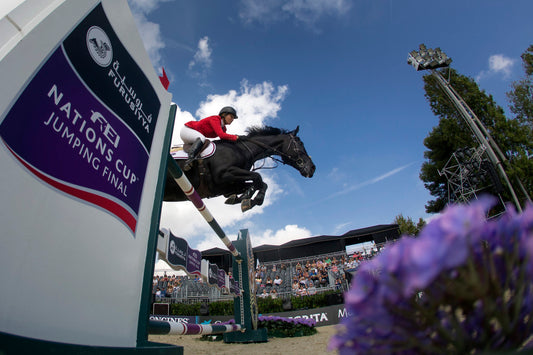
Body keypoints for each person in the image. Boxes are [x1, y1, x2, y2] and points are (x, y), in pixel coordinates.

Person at [180, 106, 240, 170]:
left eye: (233, 118)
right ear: (224, 114)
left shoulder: (223, 128)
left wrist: (238, 142)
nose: (232, 119)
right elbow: (222, 135)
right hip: (187, 130)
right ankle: (189, 160)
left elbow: (224, 139)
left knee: (204, 141)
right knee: (202, 138)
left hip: (194, 137)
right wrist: (236, 137)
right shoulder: (215, 119)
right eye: (231, 116)